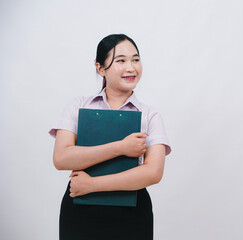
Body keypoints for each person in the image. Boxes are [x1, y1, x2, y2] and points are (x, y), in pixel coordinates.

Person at [49, 34, 171, 240]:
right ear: (100, 68)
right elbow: (61, 159)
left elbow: (153, 173)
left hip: (131, 213)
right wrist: (121, 147)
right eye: (121, 60)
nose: (131, 67)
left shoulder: (150, 115)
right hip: (80, 211)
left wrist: (93, 185)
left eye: (136, 59)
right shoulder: (79, 106)